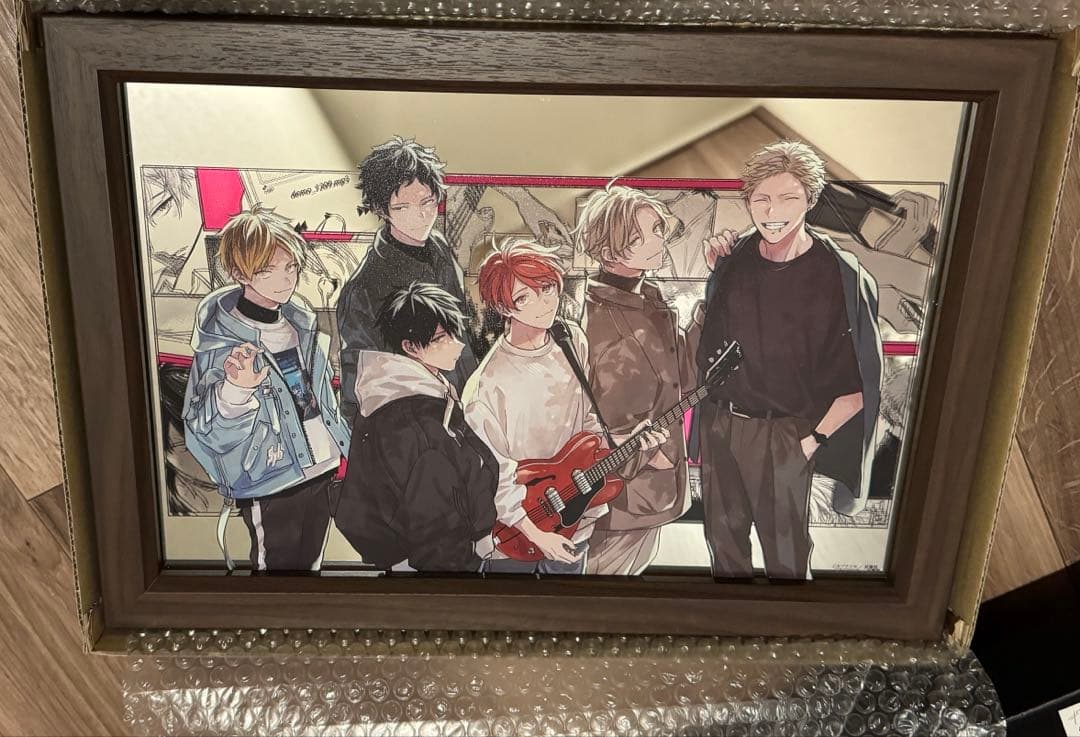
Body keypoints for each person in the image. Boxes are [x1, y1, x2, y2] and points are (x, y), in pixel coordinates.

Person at [696, 140, 883, 580]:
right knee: (724, 555)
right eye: (761, 198)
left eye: (787, 198)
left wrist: (810, 442)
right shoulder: (735, 258)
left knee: (787, 563)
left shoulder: (837, 273)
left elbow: (861, 382)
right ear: (748, 201)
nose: (772, 211)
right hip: (720, 424)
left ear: (811, 201)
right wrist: (714, 269)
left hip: (785, 433)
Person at [462, 241, 667, 575]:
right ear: (502, 306)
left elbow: (586, 422)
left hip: (576, 516)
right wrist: (538, 536)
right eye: (524, 297)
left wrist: (622, 442)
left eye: (547, 288)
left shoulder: (570, 339)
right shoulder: (486, 386)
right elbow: (492, 476)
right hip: (514, 535)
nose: (544, 302)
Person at [182, 204, 350, 571]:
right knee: (274, 577)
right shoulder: (221, 341)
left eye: (291, 267)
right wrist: (235, 390)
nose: (284, 279)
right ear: (238, 272)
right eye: (267, 269)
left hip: (321, 466)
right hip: (268, 478)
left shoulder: (301, 324)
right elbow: (204, 429)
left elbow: (320, 400)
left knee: (312, 569)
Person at [574, 184, 704, 575]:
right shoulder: (594, 319)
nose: (660, 240)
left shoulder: (649, 298)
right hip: (619, 499)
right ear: (611, 249)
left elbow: (683, 377)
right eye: (646, 234)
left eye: (659, 229)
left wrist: (704, 317)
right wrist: (649, 456)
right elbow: (600, 416)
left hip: (652, 490)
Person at [335, 283, 498, 572]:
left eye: (454, 334)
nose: (456, 345)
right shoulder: (411, 418)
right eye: (441, 338)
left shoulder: (419, 393)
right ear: (410, 347)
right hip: (438, 567)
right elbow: (434, 518)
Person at [336, 136, 478, 423]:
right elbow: (359, 385)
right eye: (403, 208)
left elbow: (461, 333)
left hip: (463, 404)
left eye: (428, 202)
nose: (421, 216)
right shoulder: (363, 289)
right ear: (382, 210)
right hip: (412, 422)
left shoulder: (439, 248)